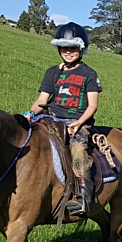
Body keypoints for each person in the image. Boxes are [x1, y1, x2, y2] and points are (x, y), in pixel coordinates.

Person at [26, 22, 100, 217]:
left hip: (77, 121)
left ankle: (83, 198)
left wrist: (79, 123)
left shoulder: (89, 74)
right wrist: (30, 114)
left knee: (78, 150)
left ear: (81, 49)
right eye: (64, 48)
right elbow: (42, 100)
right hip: (51, 117)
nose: (68, 52)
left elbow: (92, 105)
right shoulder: (52, 72)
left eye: (73, 48)